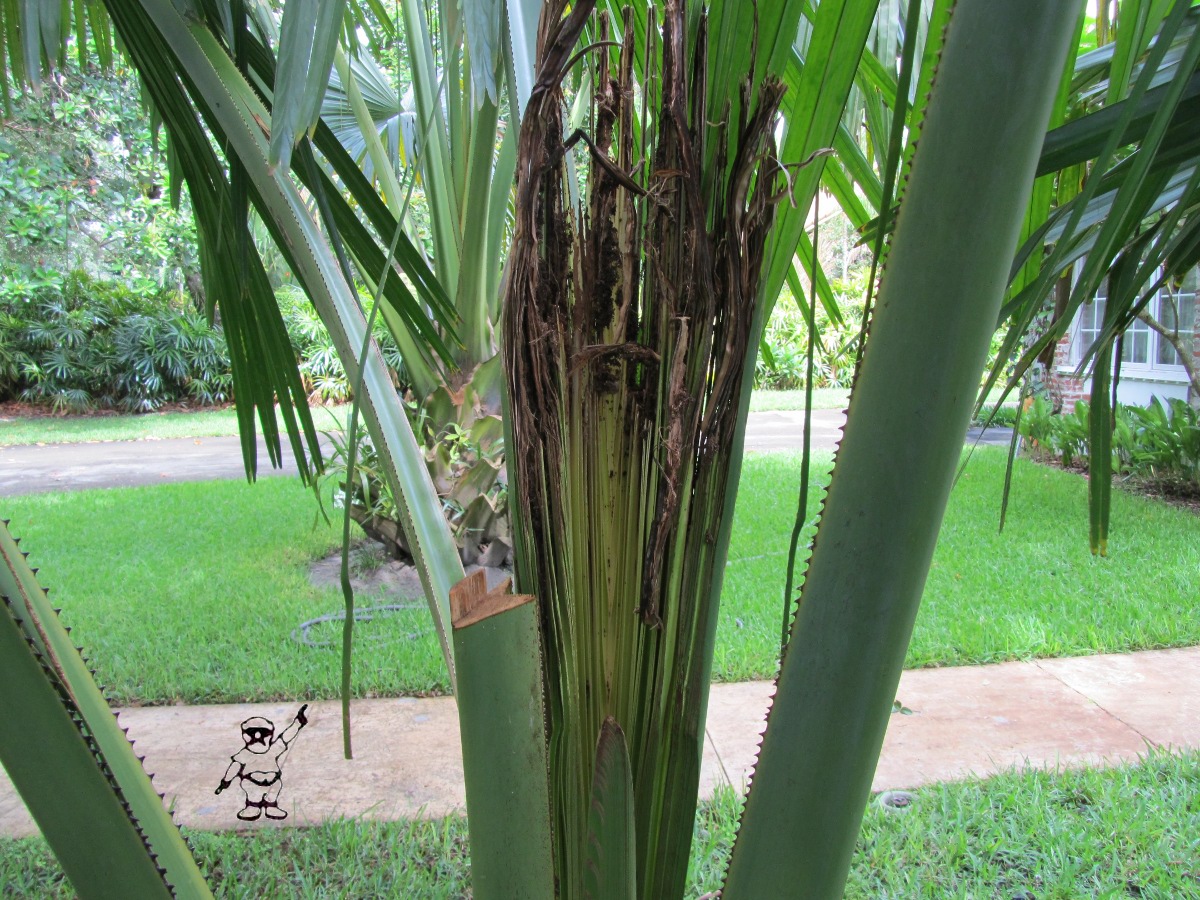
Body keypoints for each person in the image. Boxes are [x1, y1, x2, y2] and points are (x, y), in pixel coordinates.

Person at [215, 704, 308, 821]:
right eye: (252, 732)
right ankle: (253, 806)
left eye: (263, 733)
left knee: (273, 794)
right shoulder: (244, 754)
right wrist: (225, 782)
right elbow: (234, 768)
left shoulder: (274, 749)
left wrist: (298, 722)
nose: (258, 736)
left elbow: (286, 737)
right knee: (254, 798)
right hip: (252, 783)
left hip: (273, 783)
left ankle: (271, 806)